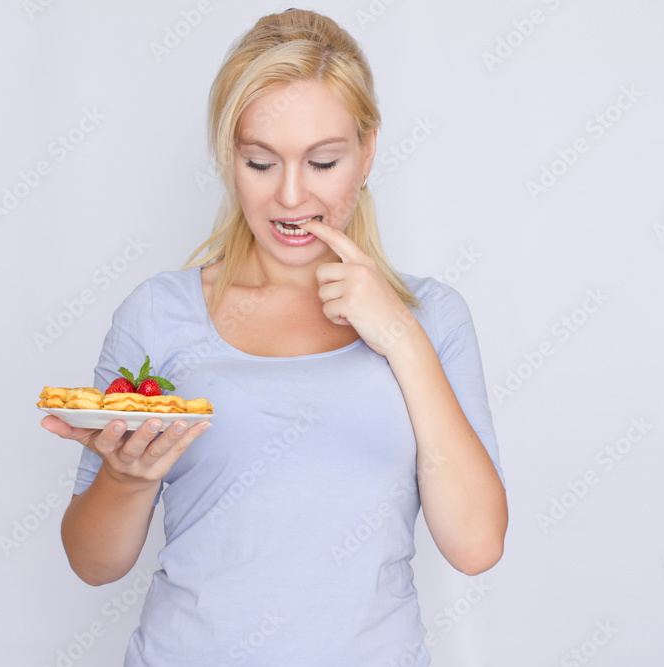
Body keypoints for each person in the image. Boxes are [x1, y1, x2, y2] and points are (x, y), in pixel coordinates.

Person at [41, 8, 507, 666]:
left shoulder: (432, 317)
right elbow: (92, 562)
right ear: (229, 156)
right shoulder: (159, 313)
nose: (290, 196)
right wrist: (125, 476)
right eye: (260, 161)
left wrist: (399, 335)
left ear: (367, 151)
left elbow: (477, 543)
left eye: (322, 161)